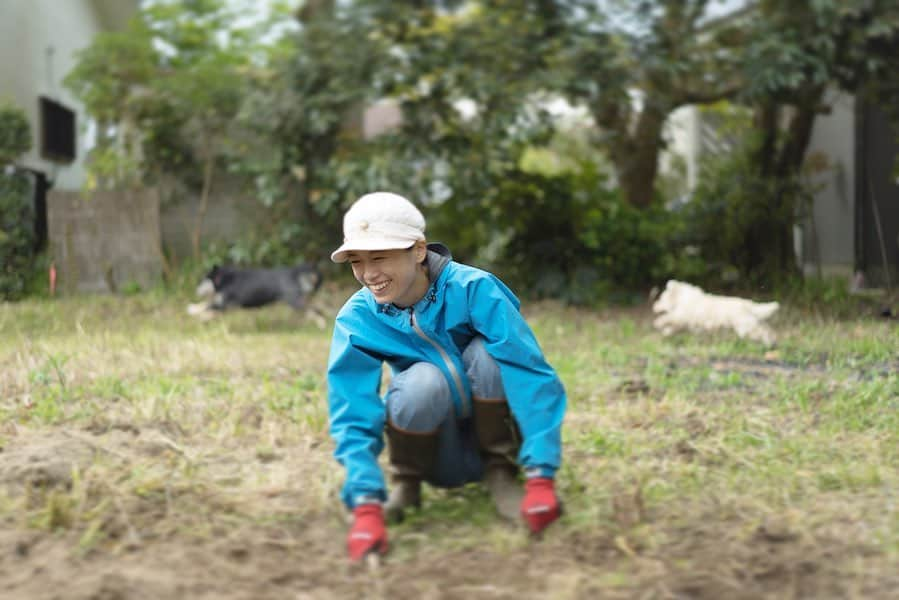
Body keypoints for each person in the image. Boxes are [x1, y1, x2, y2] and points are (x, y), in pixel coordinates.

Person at [326, 191, 566, 561]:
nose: (368, 274)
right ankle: (408, 485)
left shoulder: (474, 289)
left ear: (418, 250)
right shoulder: (357, 318)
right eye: (357, 261)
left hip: (500, 444)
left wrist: (541, 474)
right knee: (422, 378)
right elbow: (351, 410)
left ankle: (501, 475)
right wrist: (366, 504)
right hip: (434, 452)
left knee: (488, 354)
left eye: (379, 257)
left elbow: (529, 372)